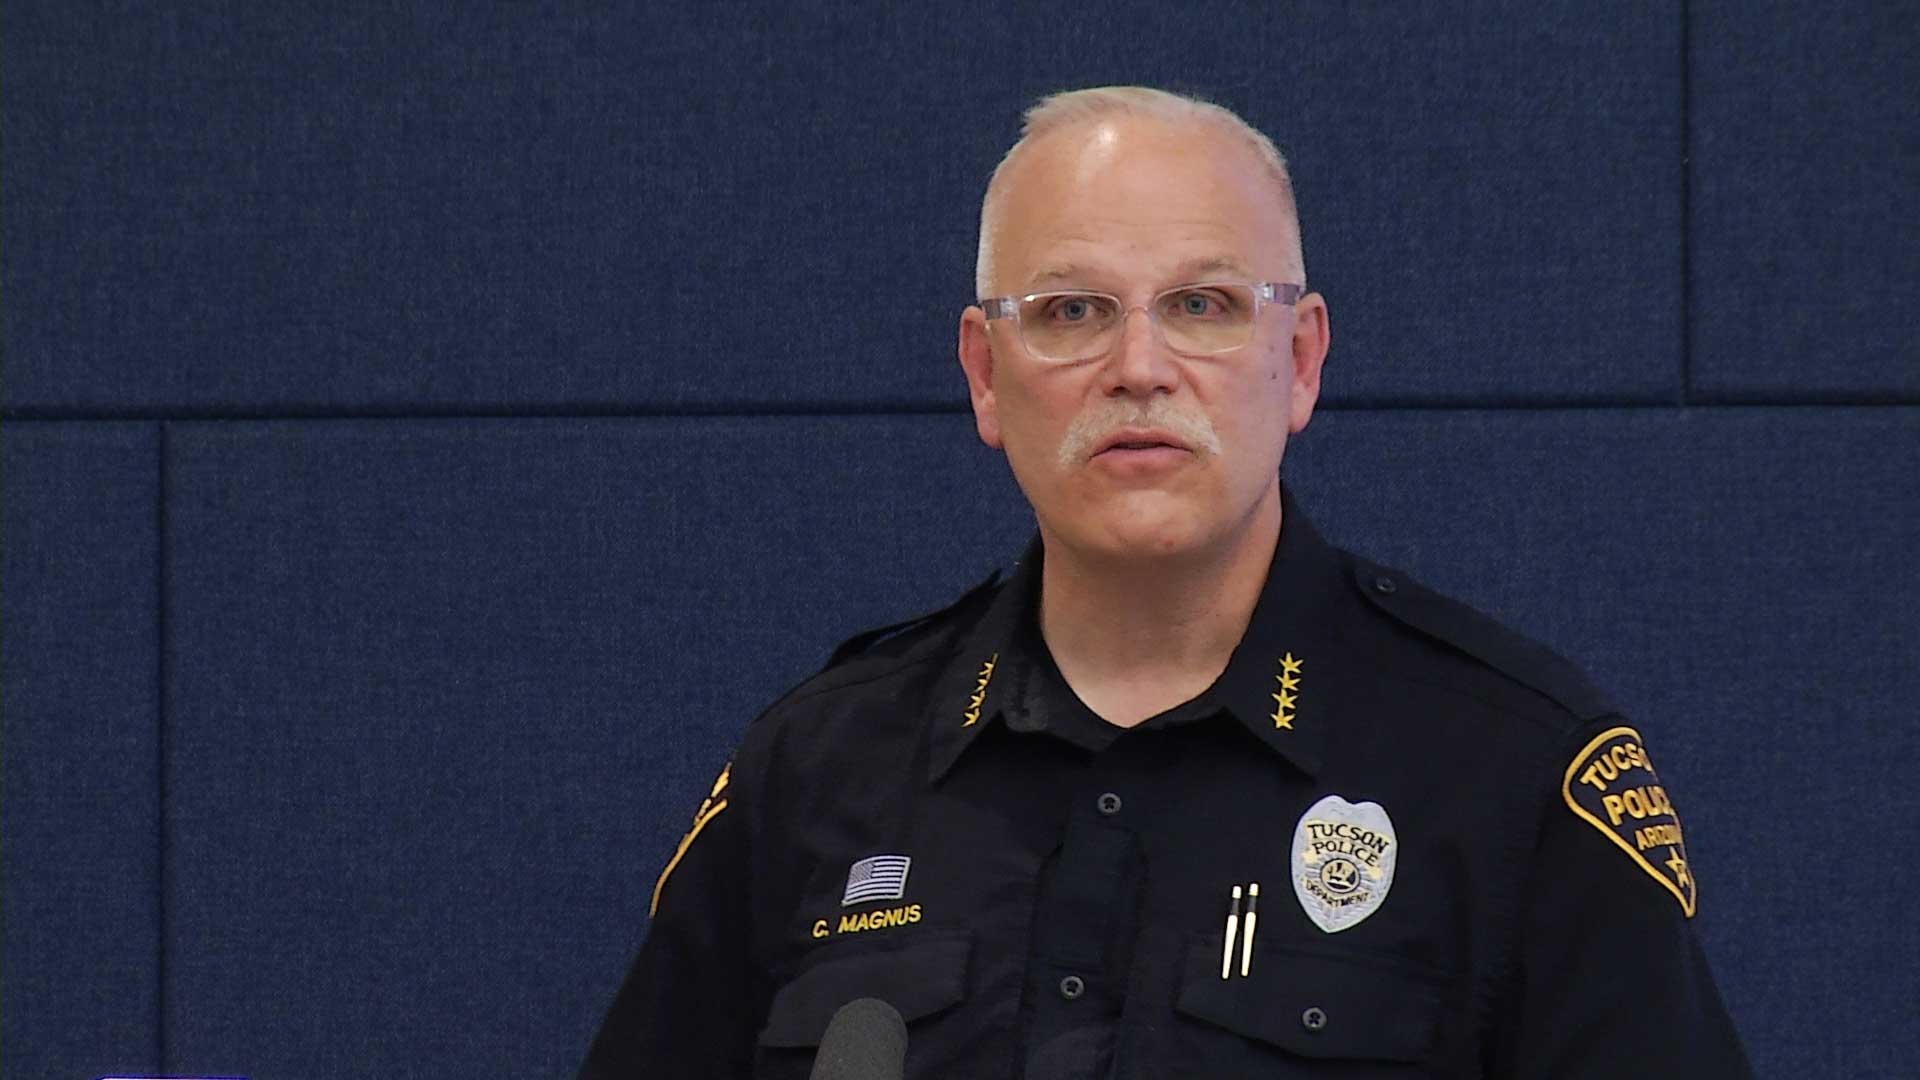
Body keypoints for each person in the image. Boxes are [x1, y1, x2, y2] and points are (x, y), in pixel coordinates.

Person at [579, 85, 1751, 1078]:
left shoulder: (1512, 777)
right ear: (986, 376)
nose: (1138, 369)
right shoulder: (813, 774)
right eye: (1071, 312)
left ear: (1299, 361)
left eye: (1202, 306)